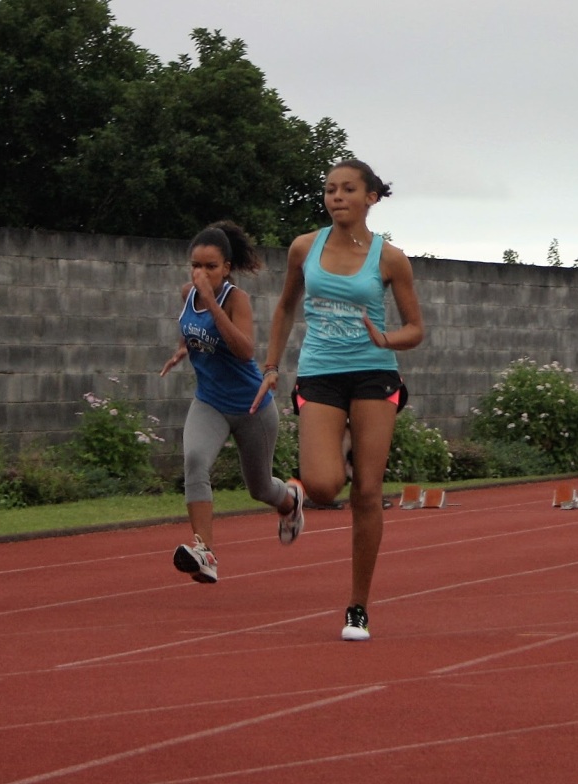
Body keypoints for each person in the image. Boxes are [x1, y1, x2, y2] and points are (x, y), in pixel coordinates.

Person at [256, 159, 424, 642]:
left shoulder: (391, 259)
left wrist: (386, 339)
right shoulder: (304, 247)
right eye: (330, 189)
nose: (337, 197)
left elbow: (415, 329)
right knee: (324, 486)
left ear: (370, 197)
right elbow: (285, 308)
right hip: (321, 374)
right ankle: (299, 492)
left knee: (366, 493)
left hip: (374, 374)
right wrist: (271, 366)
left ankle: (357, 607)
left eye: (348, 189)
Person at [161, 222, 299, 584]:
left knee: (260, 489)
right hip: (209, 403)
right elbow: (189, 326)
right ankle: (205, 552)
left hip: (252, 407)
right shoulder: (187, 294)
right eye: (196, 265)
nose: (201, 273)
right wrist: (181, 349)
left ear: (226, 268)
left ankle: (290, 501)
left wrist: (211, 301)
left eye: (210, 266)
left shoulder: (236, 300)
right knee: (194, 460)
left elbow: (244, 351)